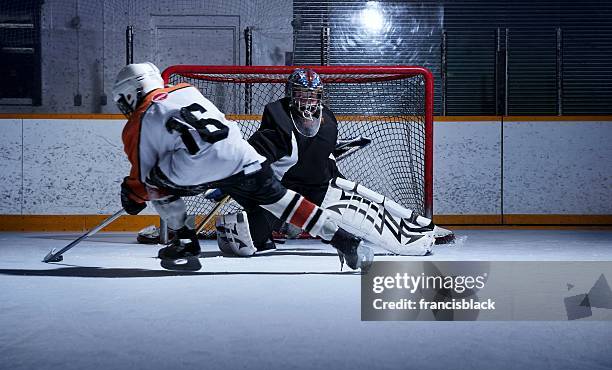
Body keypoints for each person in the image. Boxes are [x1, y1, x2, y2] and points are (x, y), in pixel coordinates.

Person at [112, 62, 376, 270]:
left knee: (154, 181)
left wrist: (132, 196)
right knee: (284, 201)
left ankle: (184, 241)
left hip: (199, 168)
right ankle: (343, 239)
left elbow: (142, 180)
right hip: (242, 155)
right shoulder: (185, 89)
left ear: (132, 93)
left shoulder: (138, 122)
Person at [214, 68, 449, 257]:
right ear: (290, 94)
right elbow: (255, 159)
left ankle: (419, 235)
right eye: (301, 94)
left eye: (312, 95)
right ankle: (270, 228)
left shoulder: (327, 120)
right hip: (283, 195)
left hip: (320, 190)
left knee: (369, 215)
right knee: (246, 240)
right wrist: (229, 181)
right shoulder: (279, 121)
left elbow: (322, 154)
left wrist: (337, 168)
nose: (307, 100)